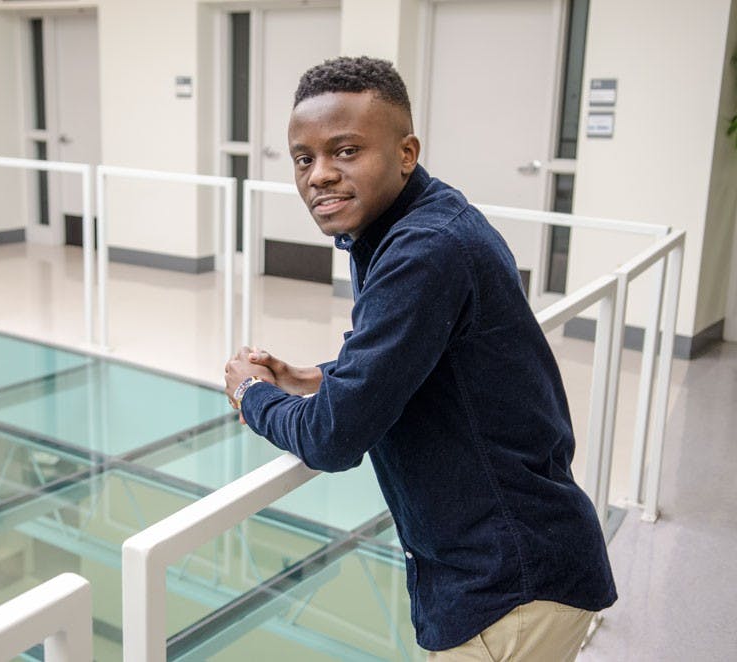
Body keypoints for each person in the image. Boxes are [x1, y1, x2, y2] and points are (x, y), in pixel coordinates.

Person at [224, 56, 616, 661]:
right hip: (517, 564)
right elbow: (433, 358)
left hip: (508, 589)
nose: (319, 175)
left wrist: (255, 397)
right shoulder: (413, 221)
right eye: (304, 158)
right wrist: (320, 375)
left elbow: (333, 437)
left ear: (406, 152)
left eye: (346, 151)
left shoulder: (424, 250)